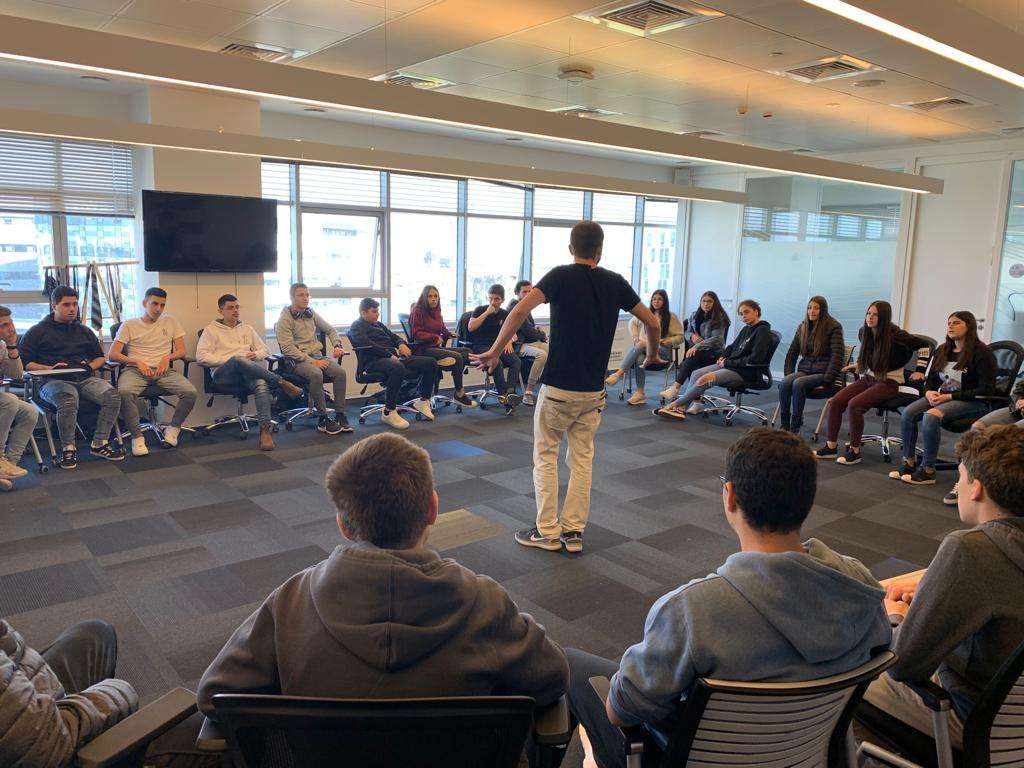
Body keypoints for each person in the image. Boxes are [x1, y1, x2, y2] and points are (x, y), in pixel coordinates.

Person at [565, 428, 891, 768]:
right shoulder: (858, 585)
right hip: (809, 756)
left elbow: (621, 711)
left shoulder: (692, 611)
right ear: (808, 500)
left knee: (571, 665)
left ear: (730, 496)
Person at [197, 433, 569, 725]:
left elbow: (215, 696)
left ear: (343, 525)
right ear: (433, 509)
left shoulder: (291, 601)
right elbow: (551, 679)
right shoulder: (485, 602)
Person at [472, 221, 662, 554]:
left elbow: (519, 310)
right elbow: (653, 322)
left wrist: (494, 350)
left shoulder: (559, 276)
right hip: (593, 391)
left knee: (546, 456)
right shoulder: (615, 282)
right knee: (582, 459)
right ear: (600, 251)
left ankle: (547, 531)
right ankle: (573, 532)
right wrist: (653, 354)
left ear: (571, 248)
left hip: (559, 388)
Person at [865, 426, 1024, 750]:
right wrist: (935, 603)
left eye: (960, 478)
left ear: (976, 489)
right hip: (1013, 715)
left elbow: (903, 664)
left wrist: (896, 616)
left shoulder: (971, 549)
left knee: (842, 671)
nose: (957, 486)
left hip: (981, 722)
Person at [21, 286, 124, 468]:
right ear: (54, 306)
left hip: (83, 378)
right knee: (68, 400)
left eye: (75, 304)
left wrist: (88, 367)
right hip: (52, 380)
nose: (72, 309)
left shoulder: (84, 331)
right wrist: (49, 368)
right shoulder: (37, 331)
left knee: (113, 396)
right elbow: (26, 363)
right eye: (66, 305)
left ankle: (99, 443)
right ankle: (68, 448)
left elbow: (100, 358)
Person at [815, 301, 929, 465]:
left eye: (875, 314)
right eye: (868, 313)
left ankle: (855, 451)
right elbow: (872, 354)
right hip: (869, 378)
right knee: (836, 401)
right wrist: (859, 365)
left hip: (889, 382)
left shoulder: (896, 334)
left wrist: (920, 370)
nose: (870, 317)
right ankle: (831, 447)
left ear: (884, 317)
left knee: (855, 405)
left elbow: (924, 346)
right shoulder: (865, 332)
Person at [889, 311, 995, 486]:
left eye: (957, 323)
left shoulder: (982, 353)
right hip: (943, 396)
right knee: (908, 413)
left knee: (931, 416)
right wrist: (929, 392)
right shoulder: (943, 349)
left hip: (973, 401)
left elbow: (986, 389)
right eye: (949, 323)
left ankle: (928, 470)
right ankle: (908, 462)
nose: (951, 326)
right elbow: (931, 379)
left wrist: (950, 396)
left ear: (969, 326)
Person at [196, 294, 303, 452]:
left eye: (237, 307)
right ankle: (281, 382)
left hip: (246, 373)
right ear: (221, 311)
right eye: (230, 308)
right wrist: (230, 359)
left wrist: (255, 355)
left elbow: (265, 350)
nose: (235, 310)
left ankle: (265, 431)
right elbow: (201, 357)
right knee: (238, 359)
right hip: (223, 375)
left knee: (261, 383)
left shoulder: (247, 328)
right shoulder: (210, 330)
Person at [108, 287, 198, 456]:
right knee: (125, 392)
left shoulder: (171, 321)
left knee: (190, 392)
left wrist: (167, 357)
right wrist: (136, 361)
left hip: (163, 371)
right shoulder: (129, 325)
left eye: (162, 305)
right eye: (154, 304)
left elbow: (181, 351)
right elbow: (113, 354)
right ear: (144, 303)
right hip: (135, 371)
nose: (158, 309)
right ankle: (137, 437)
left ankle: (173, 429)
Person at [653, 299, 772, 421]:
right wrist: (723, 356)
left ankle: (673, 405)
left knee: (705, 379)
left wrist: (727, 362)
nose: (743, 316)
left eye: (746, 312)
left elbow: (755, 359)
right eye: (741, 314)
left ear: (756, 311)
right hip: (732, 365)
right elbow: (732, 347)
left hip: (746, 371)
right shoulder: (747, 329)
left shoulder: (763, 331)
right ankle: (682, 408)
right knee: (696, 373)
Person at [274, 282, 352, 435]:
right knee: (316, 373)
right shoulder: (285, 319)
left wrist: (337, 345)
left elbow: (330, 329)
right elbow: (288, 349)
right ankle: (323, 418)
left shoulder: (310, 313)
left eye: (307, 295)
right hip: (296, 360)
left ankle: (340, 414)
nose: (306, 298)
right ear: (292, 297)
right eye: (301, 295)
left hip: (317, 355)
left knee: (340, 372)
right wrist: (313, 362)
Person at [349, 298, 437, 430]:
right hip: (374, 362)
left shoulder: (378, 324)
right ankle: (389, 411)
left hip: (393, 358)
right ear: (363, 313)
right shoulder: (356, 326)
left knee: (430, 362)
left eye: (378, 311)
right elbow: (368, 345)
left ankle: (423, 401)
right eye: (374, 311)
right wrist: (389, 355)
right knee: (397, 367)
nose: (377, 314)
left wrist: (401, 344)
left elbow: (394, 337)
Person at [943, 373, 1024, 505]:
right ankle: (967, 479)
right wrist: (1019, 399)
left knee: (1012, 434)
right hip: (1017, 411)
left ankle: (999, 485)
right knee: (978, 427)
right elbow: (1019, 389)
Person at [778, 296, 844, 434]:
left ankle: (795, 426)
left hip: (823, 373)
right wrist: (789, 373)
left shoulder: (833, 327)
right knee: (785, 382)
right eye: (809, 308)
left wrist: (828, 379)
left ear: (823, 310)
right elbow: (792, 353)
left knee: (798, 383)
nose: (812, 311)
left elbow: (837, 357)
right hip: (806, 369)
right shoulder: (803, 327)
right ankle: (784, 424)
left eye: (816, 308)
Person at [605, 289, 682, 407]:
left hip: (663, 352)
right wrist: (635, 337)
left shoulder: (671, 316)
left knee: (641, 344)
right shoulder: (647, 314)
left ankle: (618, 373)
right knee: (639, 359)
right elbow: (632, 323)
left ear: (665, 301)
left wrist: (667, 341)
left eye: (659, 299)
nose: (656, 301)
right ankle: (640, 393)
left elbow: (680, 336)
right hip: (645, 351)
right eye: (654, 299)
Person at [408, 285, 476, 408]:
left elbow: (441, 328)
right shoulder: (417, 311)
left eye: (436, 296)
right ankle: (459, 393)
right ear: (424, 298)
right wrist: (434, 338)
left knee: (467, 351)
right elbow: (416, 334)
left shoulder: (437, 311)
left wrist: (448, 333)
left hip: (435, 348)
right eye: (430, 296)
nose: (433, 299)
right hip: (422, 349)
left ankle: (449, 363)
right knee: (457, 357)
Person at [659, 290, 730, 402]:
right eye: (703, 301)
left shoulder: (719, 318)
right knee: (692, 362)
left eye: (709, 301)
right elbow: (686, 333)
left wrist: (697, 346)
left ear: (715, 303)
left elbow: (717, 339)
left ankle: (676, 388)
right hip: (698, 353)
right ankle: (696, 401)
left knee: (692, 356)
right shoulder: (694, 315)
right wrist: (692, 336)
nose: (706, 304)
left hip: (714, 353)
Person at [468, 284, 522, 408]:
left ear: (502, 300)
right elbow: (471, 327)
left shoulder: (504, 313)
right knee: (497, 362)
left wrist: (508, 341)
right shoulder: (480, 310)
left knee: (516, 361)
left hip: (498, 346)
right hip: (481, 346)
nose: (493, 302)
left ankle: (510, 392)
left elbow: (513, 334)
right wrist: (487, 313)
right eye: (490, 298)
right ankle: (504, 396)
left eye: (496, 299)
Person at [0, 305, 35, 489]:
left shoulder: (2, 346)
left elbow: (16, 375)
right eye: (4, 325)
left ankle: (9, 464)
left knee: (30, 412)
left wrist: (12, 347)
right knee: (10, 401)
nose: (11, 329)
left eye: (11, 323)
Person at [507, 280, 549, 407]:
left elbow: (530, 329)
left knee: (552, 349)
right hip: (517, 344)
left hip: (527, 342)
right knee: (541, 355)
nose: (528, 294)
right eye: (524, 292)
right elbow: (528, 331)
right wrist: (542, 335)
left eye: (530, 291)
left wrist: (538, 332)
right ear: (516, 293)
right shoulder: (516, 306)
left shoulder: (526, 305)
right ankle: (529, 392)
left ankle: (549, 387)